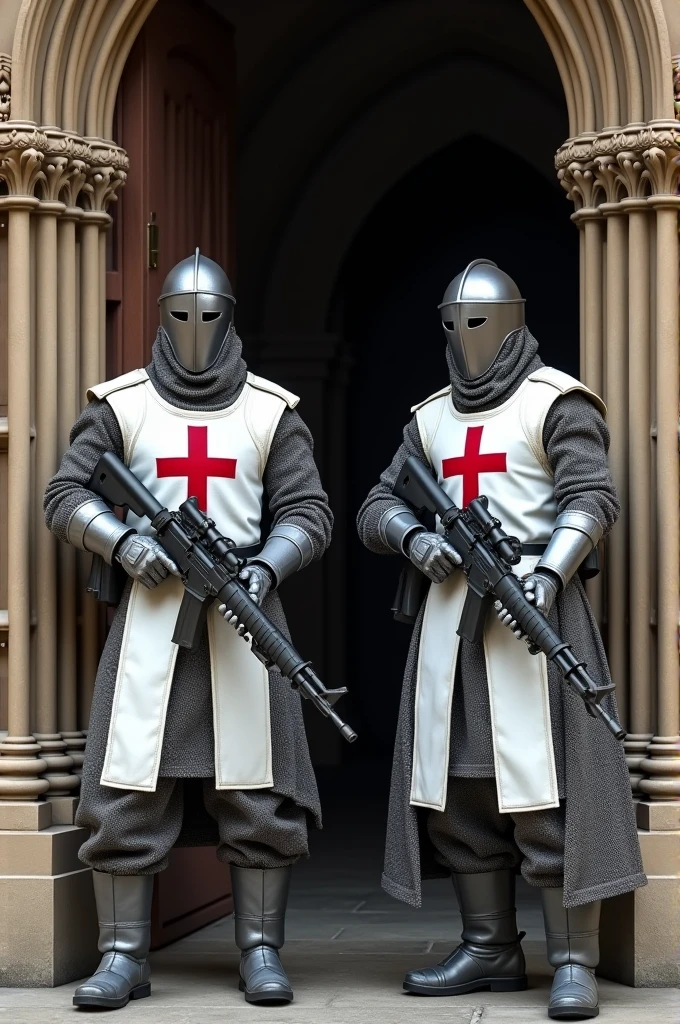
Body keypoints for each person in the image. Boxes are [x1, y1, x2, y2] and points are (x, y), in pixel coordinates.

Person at [356, 259, 645, 1020]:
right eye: (452, 325)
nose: (465, 339)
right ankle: (490, 946)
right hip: (452, 621)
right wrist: (415, 539)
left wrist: (549, 574)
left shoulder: (558, 402)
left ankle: (573, 958)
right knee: (458, 785)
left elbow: (591, 496)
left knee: (546, 791)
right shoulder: (428, 419)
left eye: (478, 323)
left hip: (534, 616)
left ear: (512, 320)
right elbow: (378, 504)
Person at [45, 249, 333, 1009]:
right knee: (126, 787)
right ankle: (121, 953)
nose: (195, 329)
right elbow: (67, 493)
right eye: (181, 315)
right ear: (162, 318)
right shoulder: (120, 405)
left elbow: (309, 513)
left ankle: (262, 950)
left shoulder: (272, 411)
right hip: (150, 618)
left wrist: (264, 569)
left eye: (209, 315)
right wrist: (122, 541)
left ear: (230, 317)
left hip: (243, 614)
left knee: (259, 792)